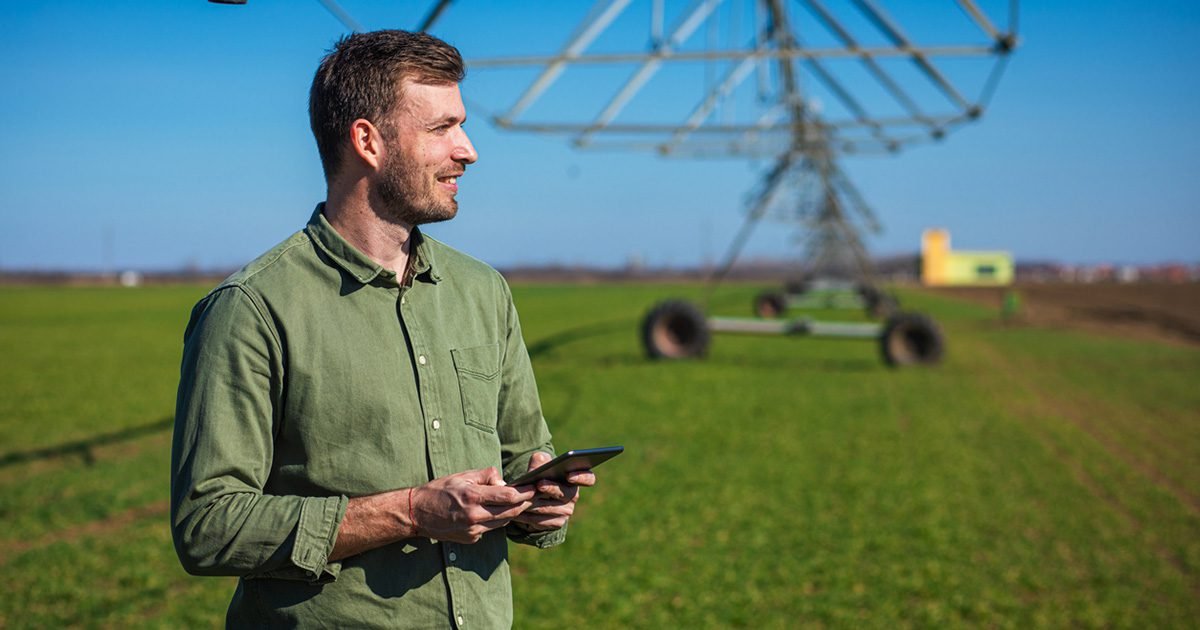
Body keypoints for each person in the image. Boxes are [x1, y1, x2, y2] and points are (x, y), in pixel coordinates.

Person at [170, 29, 595, 628]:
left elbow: (522, 452)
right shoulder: (251, 309)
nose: (468, 150)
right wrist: (413, 511)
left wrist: (540, 500)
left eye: (462, 125)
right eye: (441, 128)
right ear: (368, 141)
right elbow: (208, 527)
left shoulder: (484, 292)